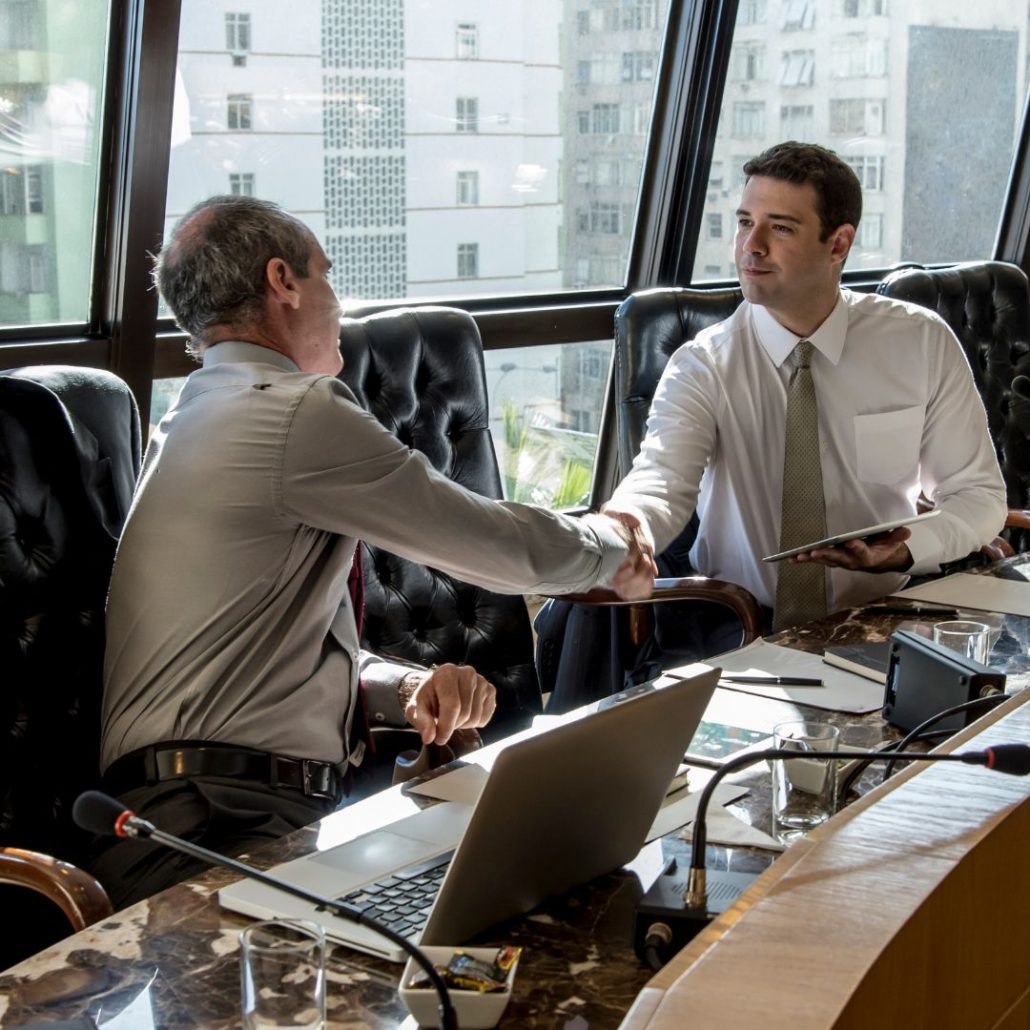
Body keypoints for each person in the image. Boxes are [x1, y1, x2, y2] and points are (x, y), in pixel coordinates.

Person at [92, 195, 655, 907]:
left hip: (200, 812)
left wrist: (405, 688)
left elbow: (252, 663)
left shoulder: (196, 415)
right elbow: (486, 541)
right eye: (327, 276)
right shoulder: (294, 411)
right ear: (283, 282)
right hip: (209, 832)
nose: (339, 303)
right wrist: (614, 547)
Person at [602, 140, 1006, 649]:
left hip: (883, 618)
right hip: (739, 625)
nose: (752, 246)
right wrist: (628, 527)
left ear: (838, 244)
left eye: (781, 227)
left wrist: (906, 550)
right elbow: (660, 481)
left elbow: (979, 495)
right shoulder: (703, 365)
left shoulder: (920, 342)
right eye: (746, 222)